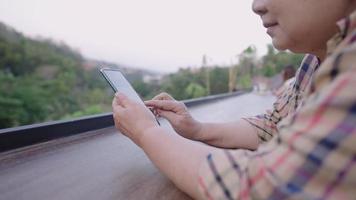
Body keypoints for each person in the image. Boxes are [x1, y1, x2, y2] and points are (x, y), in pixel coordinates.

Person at [112, 0, 356, 199]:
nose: (256, 5)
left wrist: (146, 132)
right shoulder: (316, 59)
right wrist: (196, 128)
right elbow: (274, 124)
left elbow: (263, 188)